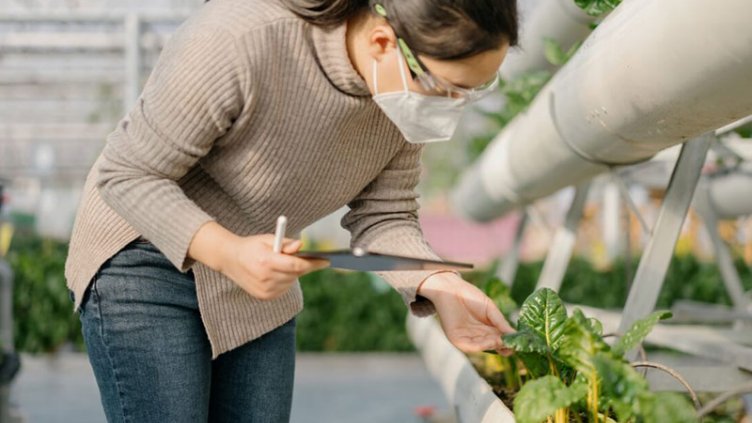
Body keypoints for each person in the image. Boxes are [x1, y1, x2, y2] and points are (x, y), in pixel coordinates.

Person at [64, 0, 519, 421]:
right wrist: (228, 253)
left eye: (474, 92)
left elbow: (385, 214)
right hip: (144, 257)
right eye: (449, 89)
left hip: (258, 268)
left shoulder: (401, 98)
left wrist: (440, 285)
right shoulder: (239, 38)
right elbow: (128, 174)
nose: (452, 108)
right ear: (384, 43)